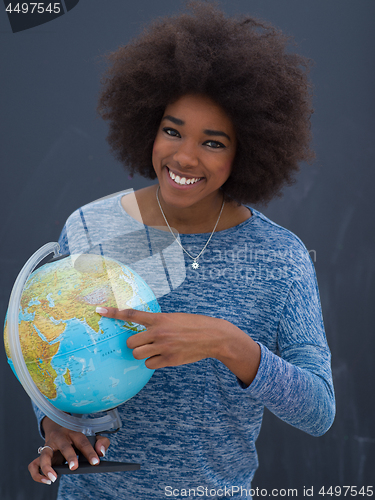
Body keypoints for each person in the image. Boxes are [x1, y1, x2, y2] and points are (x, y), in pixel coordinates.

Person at [28, 2, 335, 498]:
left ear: (249, 150)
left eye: (213, 142)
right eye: (172, 131)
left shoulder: (279, 256)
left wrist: (229, 344)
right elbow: (49, 353)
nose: (184, 157)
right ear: (148, 125)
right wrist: (51, 424)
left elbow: (319, 410)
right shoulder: (88, 226)